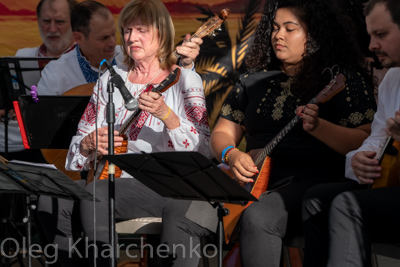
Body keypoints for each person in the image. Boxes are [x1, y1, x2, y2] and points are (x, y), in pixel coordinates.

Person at [38, 0, 211, 266]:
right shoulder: (111, 77)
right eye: (127, 30)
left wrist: (168, 116)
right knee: (51, 196)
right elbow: (79, 144)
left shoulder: (185, 79)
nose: (131, 38)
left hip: (164, 183)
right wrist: (87, 144)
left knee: (97, 192)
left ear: (162, 33)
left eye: (141, 30)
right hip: (112, 177)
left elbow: (204, 149)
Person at [209, 0, 377, 266]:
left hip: (313, 184)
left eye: (290, 29)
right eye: (275, 28)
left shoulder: (342, 79)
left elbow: (366, 140)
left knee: (259, 217)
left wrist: (320, 127)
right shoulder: (252, 79)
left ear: (315, 35)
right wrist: (230, 154)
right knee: (183, 212)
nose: (278, 35)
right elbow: (222, 132)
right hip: (251, 182)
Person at [302, 1, 400, 266]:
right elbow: (378, 137)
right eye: (370, 35)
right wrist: (358, 160)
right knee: (316, 199)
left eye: (381, 34)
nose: (371, 46)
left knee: (348, 205)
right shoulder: (392, 79)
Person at [36, 0, 200, 96]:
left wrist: (186, 65)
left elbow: (172, 88)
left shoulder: (131, 55)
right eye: (103, 38)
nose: (113, 43)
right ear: (78, 38)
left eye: (114, 34)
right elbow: (42, 124)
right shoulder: (55, 72)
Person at [0, 0, 77, 161]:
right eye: (46, 21)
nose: (52, 29)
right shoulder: (23, 56)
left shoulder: (83, 60)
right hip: (15, 143)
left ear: (74, 23)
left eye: (60, 22)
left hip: (61, 146)